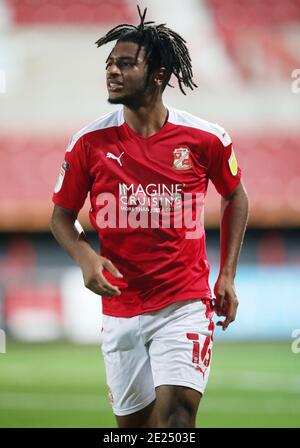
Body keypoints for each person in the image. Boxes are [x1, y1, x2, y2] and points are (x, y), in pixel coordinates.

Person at [50, 6, 249, 428]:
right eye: (110, 63)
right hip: (119, 308)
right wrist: (86, 257)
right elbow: (61, 217)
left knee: (178, 417)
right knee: (134, 430)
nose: (112, 71)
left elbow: (235, 196)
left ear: (157, 75)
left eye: (125, 63)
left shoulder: (205, 139)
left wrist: (227, 275)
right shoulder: (89, 143)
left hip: (184, 302)